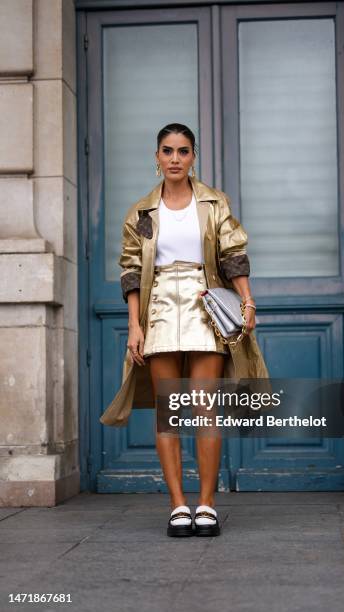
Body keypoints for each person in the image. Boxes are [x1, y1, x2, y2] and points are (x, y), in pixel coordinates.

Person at [99, 123, 269, 537]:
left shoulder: (213, 203)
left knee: (205, 410)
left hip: (203, 304)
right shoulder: (140, 212)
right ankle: (178, 506)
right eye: (167, 150)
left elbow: (232, 254)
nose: (175, 158)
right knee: (168, 415)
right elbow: (132, 272)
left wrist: (246, 300)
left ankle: (207, 505)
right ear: (156, 157)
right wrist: (134, 325)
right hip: (157, 309)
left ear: (194, 156)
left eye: (183, 151)